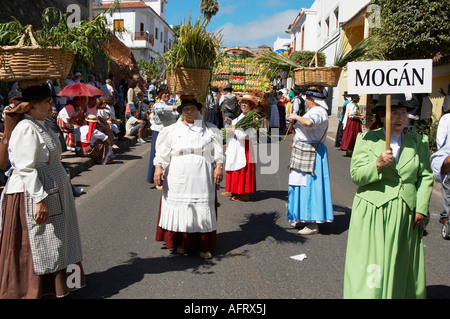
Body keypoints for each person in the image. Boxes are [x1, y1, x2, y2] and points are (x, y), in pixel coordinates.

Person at [343, 94, 434, 299]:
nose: (400, 117)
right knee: (372, 263)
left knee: (400, 261)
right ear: (382, 116)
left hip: (405, 213)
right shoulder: (367, 139)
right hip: (373, 211)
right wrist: (377, 164)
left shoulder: (418, 141)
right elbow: (356, 175)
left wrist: (421, 207)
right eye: (393, 113)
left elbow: (426, 176)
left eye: (403, 113)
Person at [0, 83, 85, 298]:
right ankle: (30, 290)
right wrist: (39, 199)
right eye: (47, 101)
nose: (51, 105)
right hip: (32, 192)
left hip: (52, 190)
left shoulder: (41, 124)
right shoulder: (26, 128)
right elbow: (25, 167)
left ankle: (61, 285)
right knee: (38, 242)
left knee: (59, 238)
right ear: (32, 106)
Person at [153, 98, 224, 259]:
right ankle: (181, 244)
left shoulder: (209, 129)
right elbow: (163, 152)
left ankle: (202, 246)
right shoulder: (171, 130)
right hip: (179, 171)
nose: (190, 111)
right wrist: (158, 168)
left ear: (198, 110)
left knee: (201, 209)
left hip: (202, 172)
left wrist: (218, 166)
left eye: (192, 108)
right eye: (186, 109)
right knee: (182, 207)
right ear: (181, 112)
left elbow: (218, 151)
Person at [286, 89, 333, 235]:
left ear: (313, 99)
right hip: (303, 150)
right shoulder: (315, 110)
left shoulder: (318, 111)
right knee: (298, 184)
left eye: (307, 98)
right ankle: (301, 216)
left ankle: (313, 223)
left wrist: (296, 116)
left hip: (311, 152)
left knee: (310, 186)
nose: (305, 101)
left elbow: (308, 123)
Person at [222, 95, 258, 202]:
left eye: (246, 103)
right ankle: (232, 189)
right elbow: (236, 124)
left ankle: (243, 193)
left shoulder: (252, 118)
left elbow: (248, 135)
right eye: (242, 102)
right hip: (236, 144)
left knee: (242, 169)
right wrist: (230, 122)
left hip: (244, 147)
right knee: (233, 165)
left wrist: (235, 131)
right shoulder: (241, 115)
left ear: (251, 106)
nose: (243, 105)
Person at [146, 85, 178, 185]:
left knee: (170, 154)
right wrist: (175, 108)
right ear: (160, 95)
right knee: (159, 154)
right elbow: (162, 109)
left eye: (168, 93)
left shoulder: (172, 103)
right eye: (164, 93)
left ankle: (168, 177)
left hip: (171, 132)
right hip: (160, 132)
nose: (167, 95)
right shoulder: (157, 105)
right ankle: (158, 179)